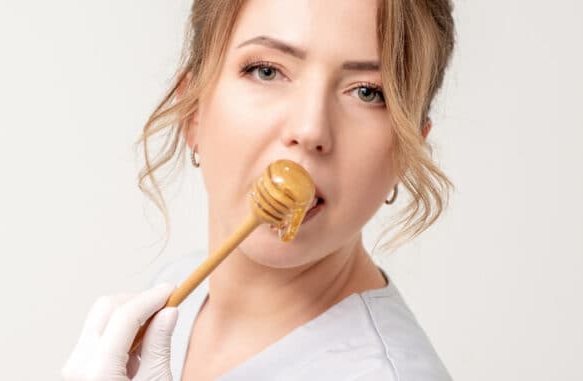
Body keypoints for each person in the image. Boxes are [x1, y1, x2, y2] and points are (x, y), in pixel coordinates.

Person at [61, 0, 457, 379]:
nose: (310, 129)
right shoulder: (173, 298)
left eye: (368, 92)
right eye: (266, 71)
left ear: (406, 153)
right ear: (193, 110)